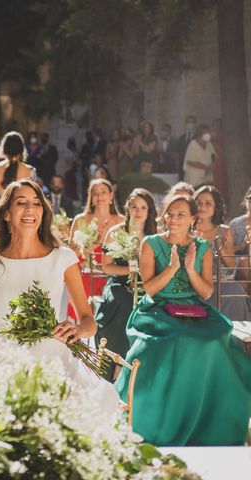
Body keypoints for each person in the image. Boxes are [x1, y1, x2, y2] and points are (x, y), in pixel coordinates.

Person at [0, 179, 120, 415]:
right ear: (7, 214)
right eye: (21, 203)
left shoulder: (63, 258)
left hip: (54, 359)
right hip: (7, 359)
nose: (30, 209)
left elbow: (89, 322)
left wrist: (77, 331)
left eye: (36, 203)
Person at [115, 195, 251, 446]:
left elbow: (206, 292)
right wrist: (170, 268)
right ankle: (157, 419)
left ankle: (206, 420)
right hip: (156, 308)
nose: (173, 219)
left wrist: (189, 268)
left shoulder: (202, 247)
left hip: (192, 307)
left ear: (192, 219)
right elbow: (152, 289)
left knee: (214, 338)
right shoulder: (151, 243)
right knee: (176, 339)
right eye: (170, 213)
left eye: (180, 215)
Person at [95, 189, 158, 380]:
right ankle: (117, 363)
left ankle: (147, 367)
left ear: (149, 211)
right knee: (124, 303)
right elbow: (106, 266)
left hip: (148, 284)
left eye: (143, 207)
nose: (138, 212)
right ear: (127, 209)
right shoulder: (116, 233)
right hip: (119, 283)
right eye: (133, 207)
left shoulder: (155, 235)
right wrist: (130, 271)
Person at [193, 185, 250, 322]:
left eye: (208, 203)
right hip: (195, 281)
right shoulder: (188, 228)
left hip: (220, 281)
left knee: (236, 291)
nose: (202, 207)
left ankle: (236, 338)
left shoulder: (224, 231)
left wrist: (219, 245)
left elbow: (230, 266)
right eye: (199, 203)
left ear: (215, 207)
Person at [68, 179, 124, 316]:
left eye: (103, 192)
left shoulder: (122, 221)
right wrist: (92, 241)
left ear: (111, 196)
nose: (99, 196)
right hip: (86, 274)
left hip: (112, 277)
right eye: (95, 193)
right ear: (91, 198)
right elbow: (69, 253)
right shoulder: (80, 219)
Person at [0, 131, 38, 227]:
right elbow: (33, 200)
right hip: (22, 223)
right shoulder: (31, 171)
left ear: (4, 148)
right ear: (22, 148)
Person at [182, 123, 216, 188]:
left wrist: (212, 165)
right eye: (205, 132)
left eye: (208, 132)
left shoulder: (209, 144)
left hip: (206, 178)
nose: (207, 134)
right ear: (199, 133)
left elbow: (214, 156)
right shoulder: (193, 145)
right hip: (194, 179)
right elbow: (190, 162)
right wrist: (206, 168)